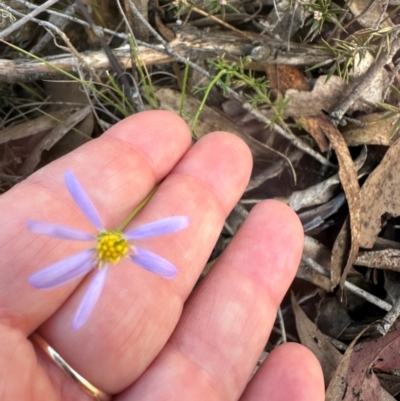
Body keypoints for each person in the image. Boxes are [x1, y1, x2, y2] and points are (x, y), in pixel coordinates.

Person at [0, 110, 324, 400]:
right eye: (112, 246)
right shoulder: (106, 244)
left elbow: (164, 260)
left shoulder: (117, 245)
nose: (113, 247)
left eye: (114, 247)